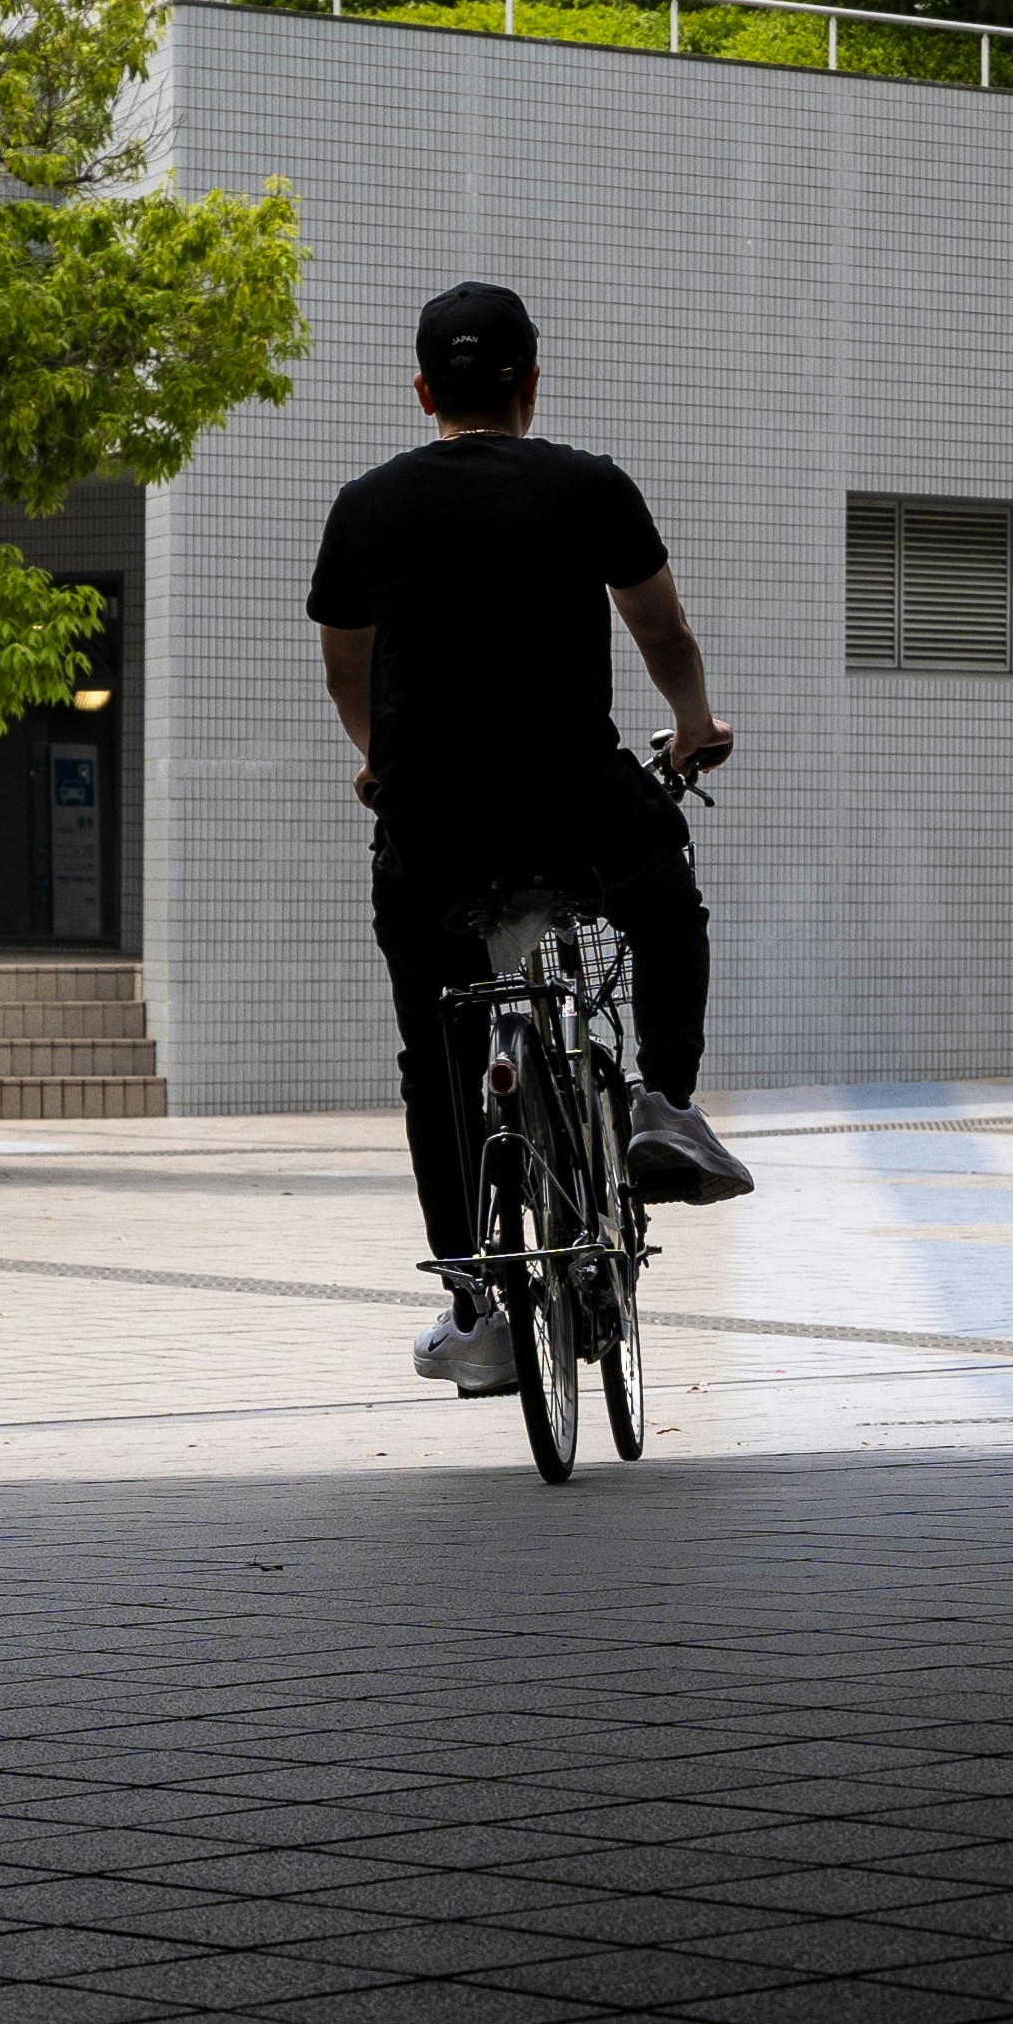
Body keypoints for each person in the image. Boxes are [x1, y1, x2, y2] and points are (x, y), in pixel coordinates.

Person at [309, 279, 755, 1398]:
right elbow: (662, 631)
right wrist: (694, 727)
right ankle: (666, 1103)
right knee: (664, 900)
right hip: (572, 804)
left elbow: (346, 671)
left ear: (423, 392)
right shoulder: (590, 486)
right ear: (532, 384)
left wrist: (378, 757)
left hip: (432, 826)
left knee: (436, 1056)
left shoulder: (365, 506)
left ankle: (479, 1310)